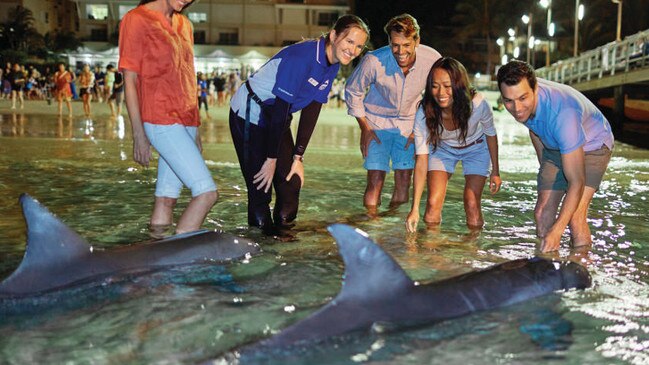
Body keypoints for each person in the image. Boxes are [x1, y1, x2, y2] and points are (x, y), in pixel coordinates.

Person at [229, 14, 369, 237]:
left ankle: (285, 246)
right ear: (334, 36)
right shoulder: (302, 57)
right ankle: (260, 252)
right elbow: (281, 106)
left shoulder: (332, 64)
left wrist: (297, 157)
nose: (353, 50)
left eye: (359, 46)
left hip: (277, 118)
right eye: (349, 41)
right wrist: (271, 159)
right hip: (250, 113)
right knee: (260, 190)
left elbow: (313, 107)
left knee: (291, 186)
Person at [120, 0, 218, 237]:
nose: (187, 0)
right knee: (207, 194)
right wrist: (138, 134)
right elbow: (130, 81)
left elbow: (187, 76)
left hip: (186, 119)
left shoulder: (185, 24)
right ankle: (181, 256)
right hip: (159, 118)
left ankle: (157, 252)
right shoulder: (136, 19)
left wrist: (196, 128)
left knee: (166, 199)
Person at [497, 60, 614, 252]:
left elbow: (576, 182)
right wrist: (546, 170)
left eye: (523, 98)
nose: (517, 108)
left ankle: (581, 268)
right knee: (542, 212)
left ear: (536, 89)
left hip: (594, 143)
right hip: (555, 144)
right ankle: (547, 265)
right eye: (508, 101)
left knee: (575, 217)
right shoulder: (520, 99)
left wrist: (557, 231)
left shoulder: (563, 113)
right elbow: (534, 129)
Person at [345, 14, 441, 214]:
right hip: (375, 123)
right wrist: (365, 127)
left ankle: (392, 225)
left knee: (404, 179)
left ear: (417, 41)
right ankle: (372, 225)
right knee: (376, 179)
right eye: (395, 44)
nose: (400, 51)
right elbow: (352, 91)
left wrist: (422, 129)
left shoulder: (432, 59)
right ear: (389, 41)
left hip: (409, 124)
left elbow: (439, 95)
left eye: (406, 45)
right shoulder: (373, 60)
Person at [405, 57, 501, 233]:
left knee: (471, 202)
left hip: (476, 149)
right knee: (432, 203)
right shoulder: (424, 112)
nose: (441, 93)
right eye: (435, 86)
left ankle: (471, 249)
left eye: (448, 86)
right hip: (443, 150)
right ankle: (431, 252)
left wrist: (495, 171)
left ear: (458, 85)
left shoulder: (478, 104)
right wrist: (414, 208)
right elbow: (421, 161)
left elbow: (491, 134)